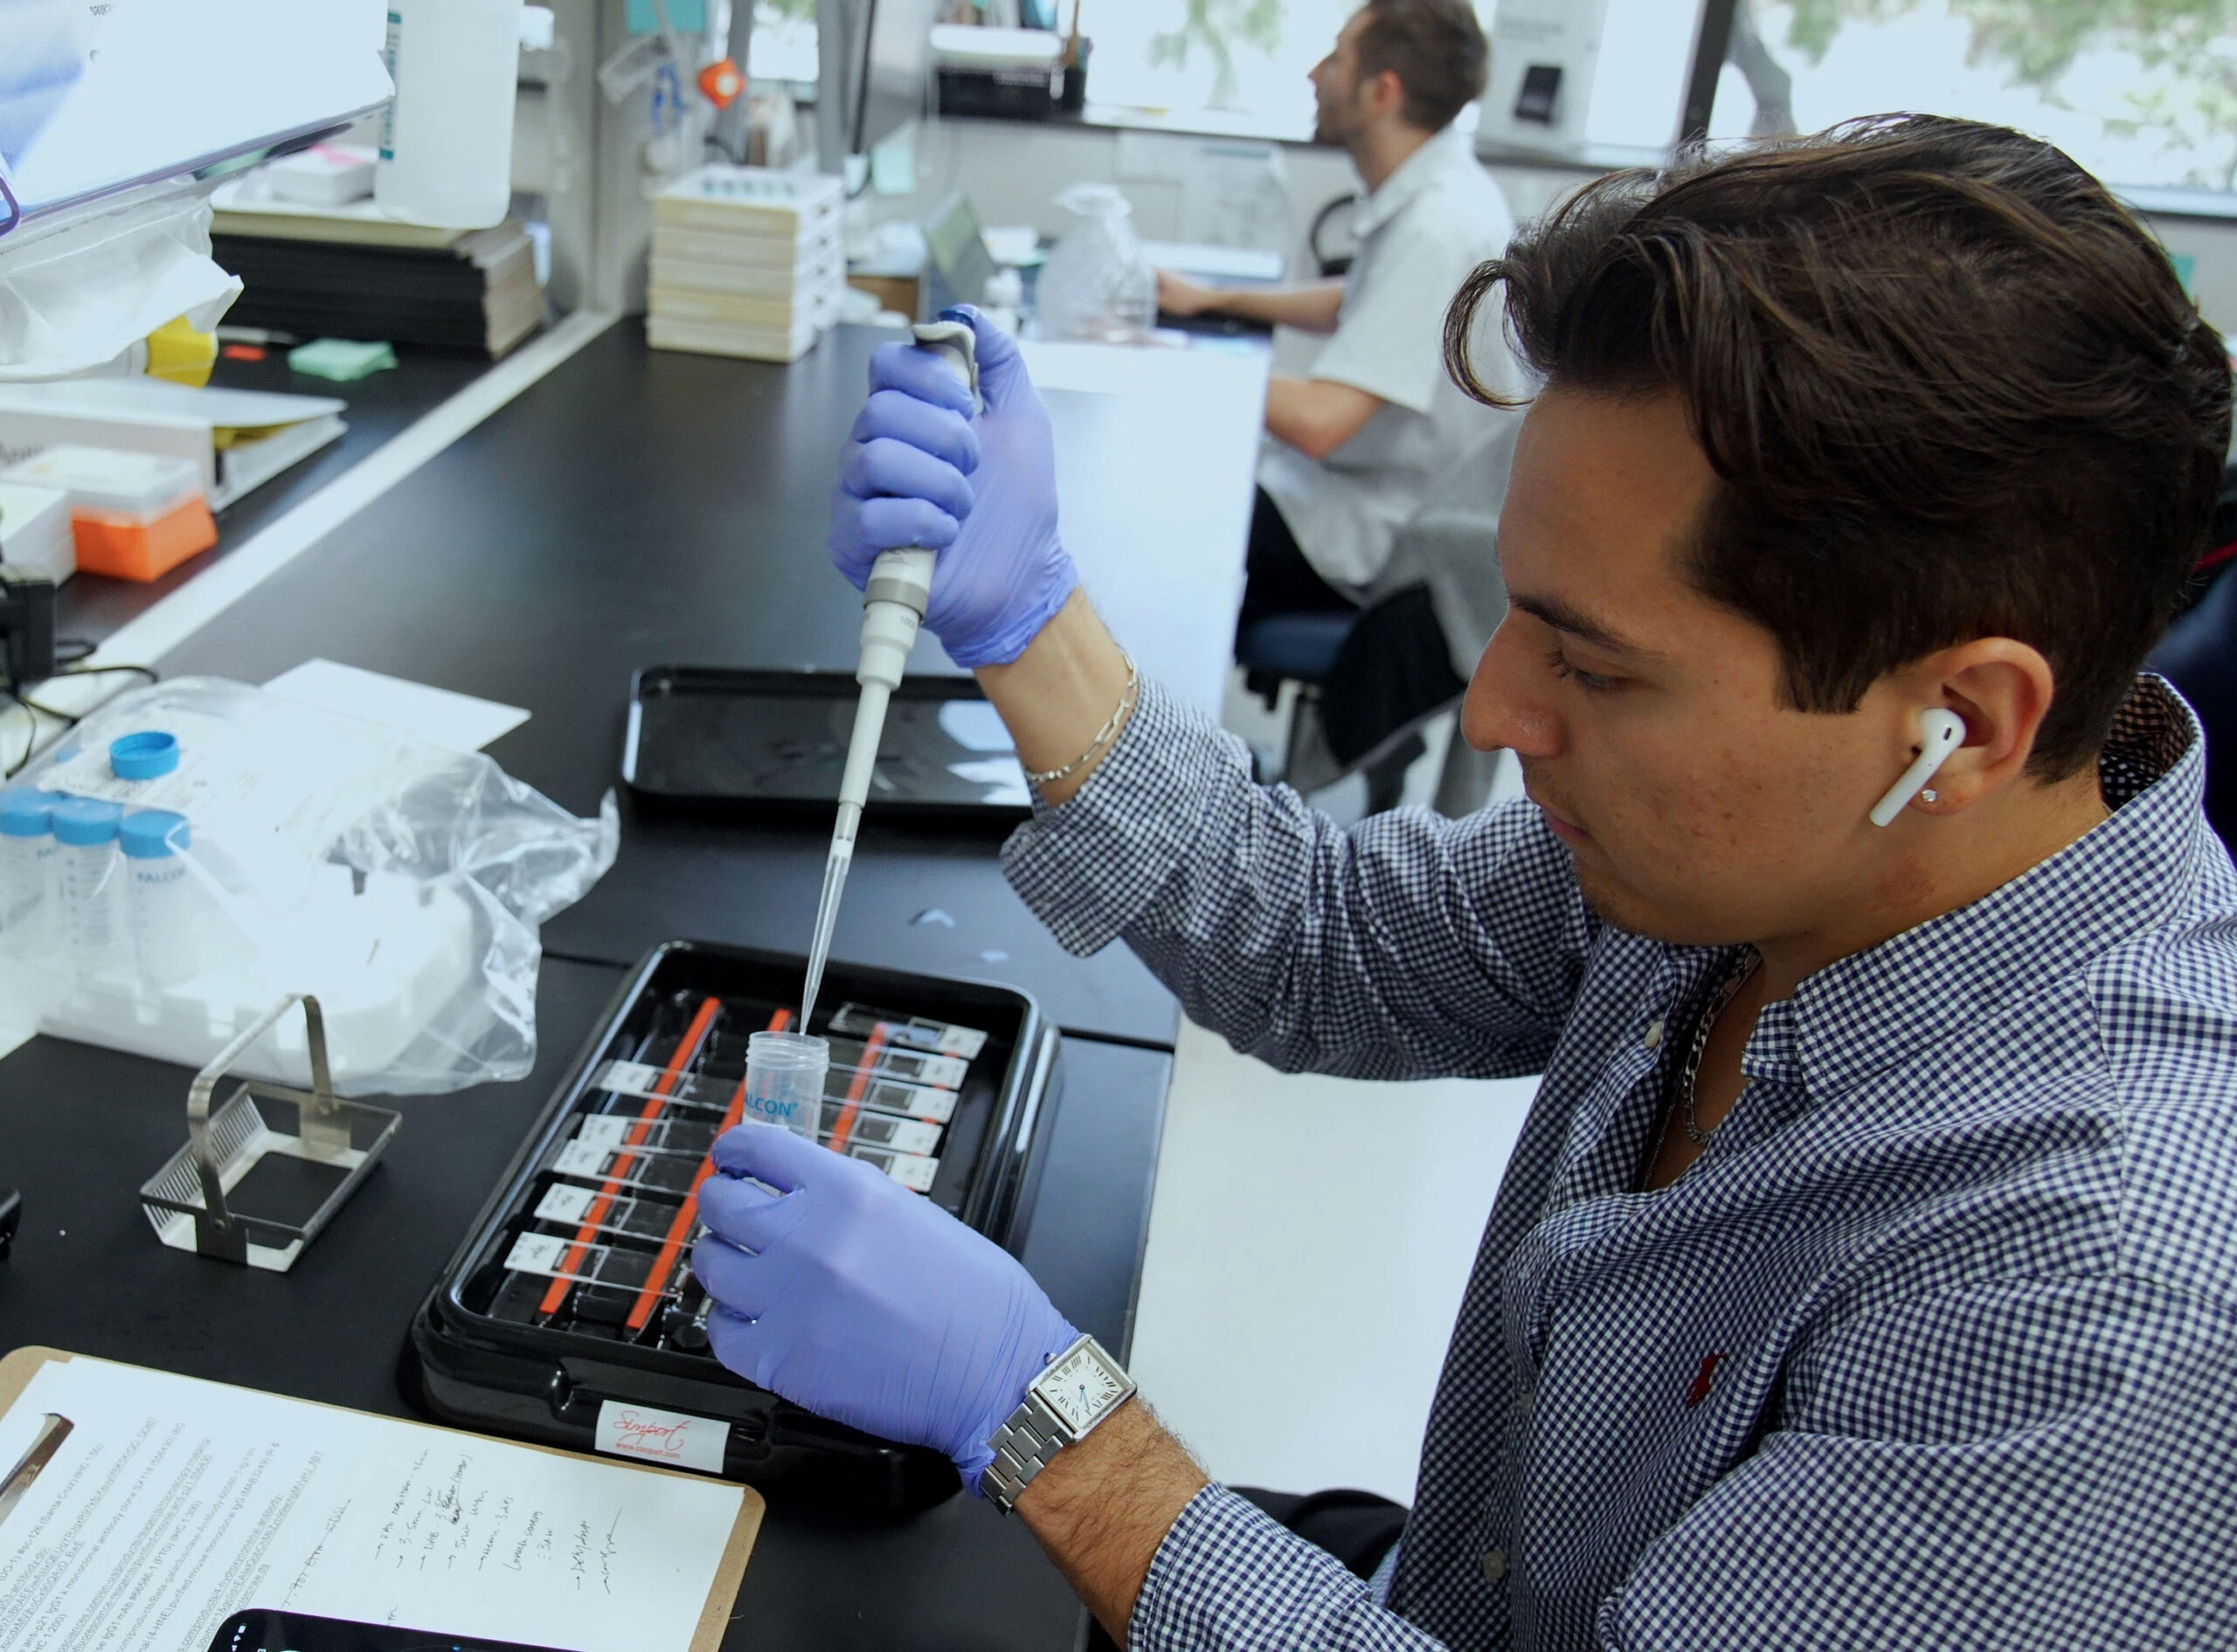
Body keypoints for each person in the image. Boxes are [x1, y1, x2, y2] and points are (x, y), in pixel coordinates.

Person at [694, 115, 2237, 1650]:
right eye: (1523, 615)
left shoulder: (2091, 1300)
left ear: (1957, 725)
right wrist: (1027, 621)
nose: (1497, 712)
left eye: (1595, 664)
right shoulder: (1780, 853)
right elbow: (1327, 943)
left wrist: (1041, 1411)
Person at [1155, 0, 1527, 637]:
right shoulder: (1438, 190)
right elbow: (1355, 298)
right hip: (1365, 489)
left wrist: (1168, 363)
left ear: (1382, 92)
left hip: (1377, 530)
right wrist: (1215, 300)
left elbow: (1320, 423)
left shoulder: (1437, 227)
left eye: (1335, 59)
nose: (1314, 75)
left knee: (1162, 508)